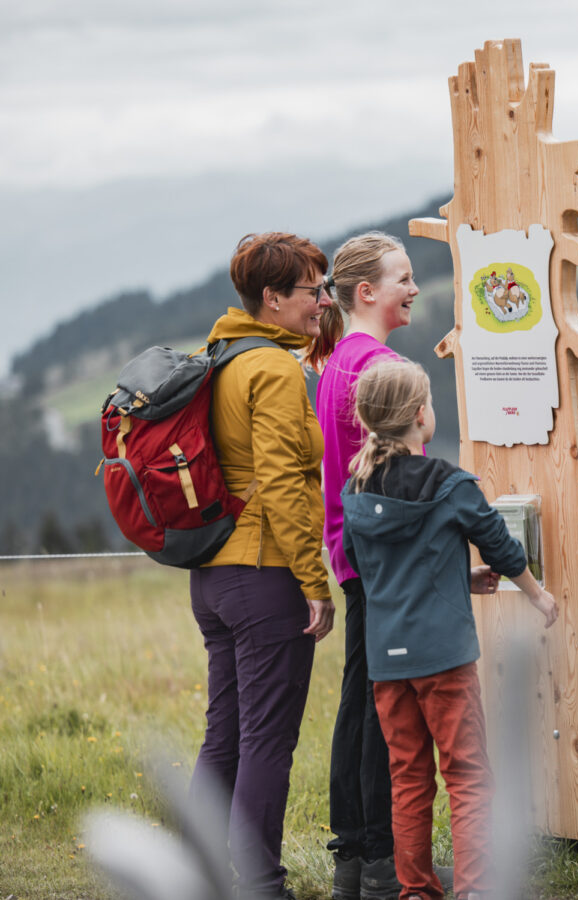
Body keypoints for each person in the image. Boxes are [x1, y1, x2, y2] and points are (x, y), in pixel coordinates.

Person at [341, 358, 558, 900]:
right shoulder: (450, 483)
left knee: (408, 780)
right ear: (420, 415)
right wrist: (537, 594)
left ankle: (415, 892)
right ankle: (477, 890)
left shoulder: (357, 489)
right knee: (467, 777)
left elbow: (372, 565)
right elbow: (500, 544)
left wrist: (456, 575)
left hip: (387, 663)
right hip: (444, 659)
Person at [191, 231, 336, 900]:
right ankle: (260, 885)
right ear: (273, 299)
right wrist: (314, 582)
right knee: (267, 743)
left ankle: (196, 872)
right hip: (264, 572)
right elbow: (283, 483)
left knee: (225, 735)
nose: (323, 301)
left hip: (214, 574)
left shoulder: (218, 354)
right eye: (313, 291)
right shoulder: (274, 371)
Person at [309, 231, 425, 900]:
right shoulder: (374, 368)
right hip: (386, 559)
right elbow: (394, 478)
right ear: (367, 292)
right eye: (403, 278)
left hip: (352, 553)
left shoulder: (335, 364)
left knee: (359, 706)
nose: (413, 289)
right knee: (388, 714)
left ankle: (354, 860)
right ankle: (383, 863)